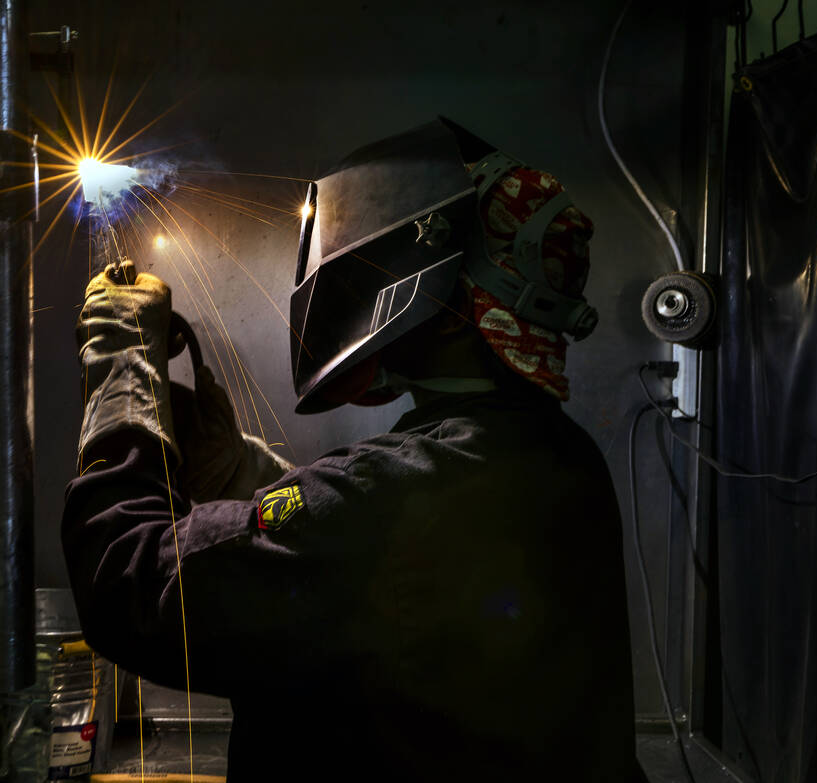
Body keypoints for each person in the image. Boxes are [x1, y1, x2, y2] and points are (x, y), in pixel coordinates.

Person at [62, 118, 645, 781]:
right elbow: (373, 557)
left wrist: (122, 373)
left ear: (441, 291)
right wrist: (241, 475)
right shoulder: (556, 455)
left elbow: (129, 582)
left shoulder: (392, 500)